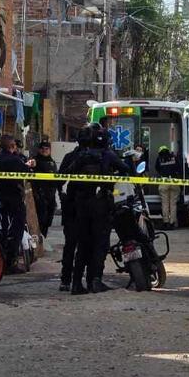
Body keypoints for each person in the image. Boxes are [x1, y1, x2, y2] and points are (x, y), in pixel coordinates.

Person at [68, 124, 131, 294]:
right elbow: (127, 169)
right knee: (100, 244)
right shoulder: (108, 155)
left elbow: (68, 173)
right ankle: (95, 281)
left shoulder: (82, 156)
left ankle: (76, 284)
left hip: (82, 206)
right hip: (101, 205)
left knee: (83, 245)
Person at [0, 134, 33, 274]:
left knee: (4, 229)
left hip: (2, 198)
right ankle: (11, 262)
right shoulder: (14, 160)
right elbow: (27, 173)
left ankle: (2, 260)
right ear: (12, 146)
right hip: (15, 198)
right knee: (16, 230)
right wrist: (28, 166)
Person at [57, 128, 89, 291]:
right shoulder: (92, 157)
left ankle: (66, 280)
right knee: (85, 245)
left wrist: (62, 196)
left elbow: (59, 180)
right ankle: (84, 280)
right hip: (86, 207)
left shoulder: (70, 157)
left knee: (71, 245)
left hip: (72, 205)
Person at [31, 140, 58, 237]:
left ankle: (43, 236)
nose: (44, 151)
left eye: (47, 149)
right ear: (39, 150)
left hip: (51, 195)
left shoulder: (52, 162)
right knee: (41, 219)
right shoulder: (34, 161)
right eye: (42, 149)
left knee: (48, 220)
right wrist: (35, 193)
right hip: (40, 195)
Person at [156, 145, 181, 229]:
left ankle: (166, 222)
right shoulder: (174, 157)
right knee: (173, 204)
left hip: (164, 181)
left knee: (165, 203)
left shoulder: (159, 159)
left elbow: (157, 168)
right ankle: (172, 222)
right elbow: (179, 167)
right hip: (174, 181)